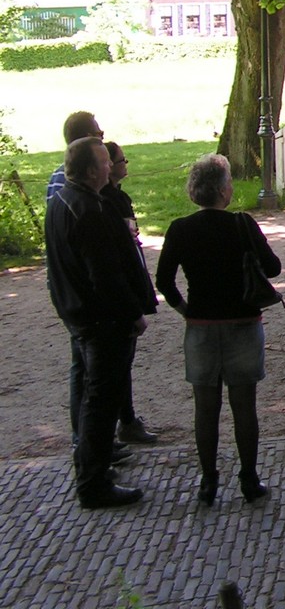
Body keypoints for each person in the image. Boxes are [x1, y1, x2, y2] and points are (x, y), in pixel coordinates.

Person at [156, 154, 280, 506]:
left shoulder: (180, 229)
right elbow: (273, 269)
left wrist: (186, 311)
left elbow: (164, 281)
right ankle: (249, 478)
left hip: (202, 325)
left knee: (205, 409)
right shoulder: (242, 224)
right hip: (242, 323)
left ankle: (208, 481)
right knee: (244, 407)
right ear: (225, 189)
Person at [46, 136, 152, 509]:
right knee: (100, 401)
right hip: (101, 322)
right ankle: (92, 482)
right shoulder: (89, 210)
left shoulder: (63, 200)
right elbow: (105, 276)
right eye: (106, 161)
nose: (112, 166)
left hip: (79, 315)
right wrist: (132, 314)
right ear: (92, 170)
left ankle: (93, 469)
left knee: (95, 396)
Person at [101, 141, 159, 445]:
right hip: (119, 298)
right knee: (117, 366)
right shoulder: (111, 202)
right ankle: (120, 424)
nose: (127, 164)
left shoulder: (110, 198)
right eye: (123, 160)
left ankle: (123, 421)